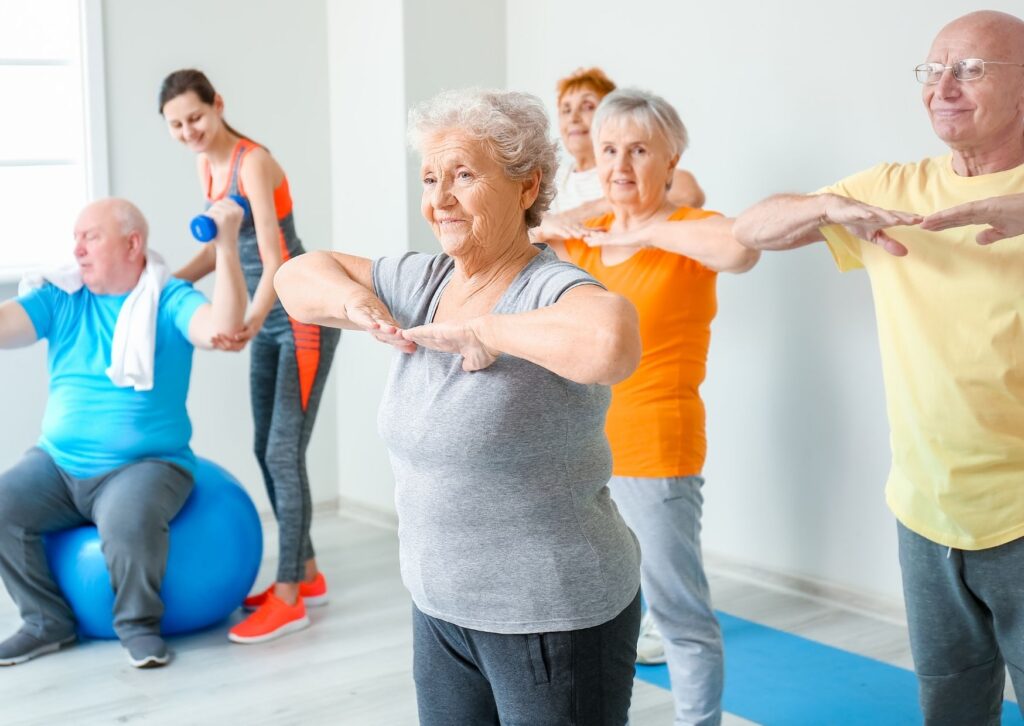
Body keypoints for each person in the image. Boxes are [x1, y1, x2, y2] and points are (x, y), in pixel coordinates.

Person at [274, 88, 644, 725]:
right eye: (429, 178)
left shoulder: (549, 287)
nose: (438, 198)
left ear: (527, 188)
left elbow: (611, 342)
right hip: (441, 609)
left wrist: (488, 332)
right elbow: (298, 275)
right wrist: (356, 305)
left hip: (551, 617)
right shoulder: (426, 280)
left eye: (464, 175)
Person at [733, 10, 1024, 723]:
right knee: (951, 706)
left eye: (971, 70)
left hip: (1019, 515)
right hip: (925, 511)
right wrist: (825, 205)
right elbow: (748, 231)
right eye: (932, 70)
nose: (943, 87)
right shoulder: (892, 189)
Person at [546, 88, 758, 725]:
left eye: (640, 150)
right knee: (584, 613)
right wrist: (558, 224)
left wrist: (648, 224)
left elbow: (741, 250)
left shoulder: (694, 234)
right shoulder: (581, 242)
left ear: (673, 161)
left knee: (678, 615)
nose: (621, 165)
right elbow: (500, 252)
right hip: (575, 451)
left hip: (656, 450)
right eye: (610, 149)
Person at [0, 197, 247, 668]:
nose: (77, 250)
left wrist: (227, 247)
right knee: (3, 502)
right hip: (57, 462)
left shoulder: (169, 299)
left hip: (147, 464)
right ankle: (45, 622)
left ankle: (138, 625)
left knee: (126, 522)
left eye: (90, 236)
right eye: (75, 238)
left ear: (133, 243)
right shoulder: (61, 297)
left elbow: (224, 327)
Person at [159, 69, 340, 644]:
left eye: (195, 117)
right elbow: (222, 250)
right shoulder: (205, 165)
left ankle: (288, 597)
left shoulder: (252, 162)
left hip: (301, 310)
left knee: (284, 453)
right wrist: (159, 282)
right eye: (176, 124)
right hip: (267, 315)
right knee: (265, 446)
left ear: (218, 105)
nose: (189, 130)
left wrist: (253, 319)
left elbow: (275, 254)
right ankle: (306, 572)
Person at [534, 67, 704, 246]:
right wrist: (543, 226)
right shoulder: (551, 178)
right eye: (566, 110)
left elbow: (688, 193)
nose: (573, 118)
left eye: (587, 107)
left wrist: (573, 217)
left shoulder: (628, 174)